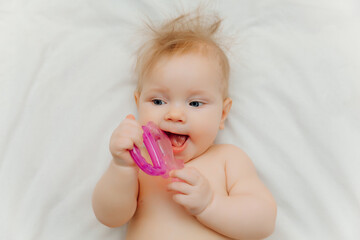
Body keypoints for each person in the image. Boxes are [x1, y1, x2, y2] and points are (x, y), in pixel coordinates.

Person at [92, 10, 277, 240]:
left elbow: (263, 222)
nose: (175, 114)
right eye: (158, 101)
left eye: (195, 103)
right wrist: (120, 166)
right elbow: (109, 217)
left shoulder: (229, 160)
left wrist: (210, 205)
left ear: (223, 114)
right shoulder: (139, 164)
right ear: (138, 104)